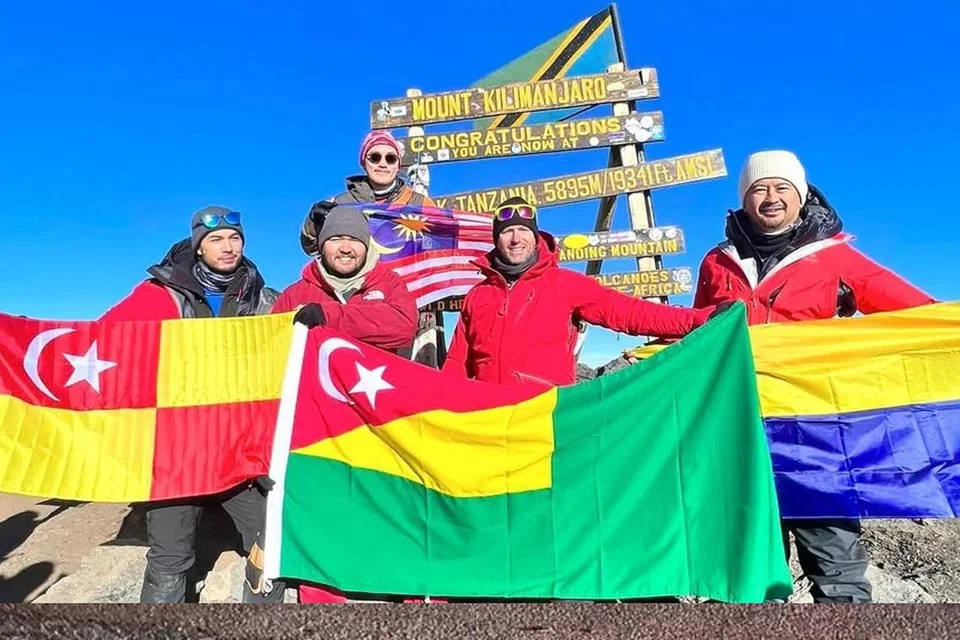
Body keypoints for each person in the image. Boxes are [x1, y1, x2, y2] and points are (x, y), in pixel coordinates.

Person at [693, 150, 936, 603]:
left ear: (801, 196)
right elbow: (699, 332)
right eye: (759, 188)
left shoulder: (836, 258)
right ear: (744, 199)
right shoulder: (717, 262)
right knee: (746, 558)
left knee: (833, 555)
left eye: (782, 187)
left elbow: (917, 313)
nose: (770, 197)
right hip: (740, 427)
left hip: (816, 430)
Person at [100, 206, 284, 604]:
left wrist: (310, 325)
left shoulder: (265, 299)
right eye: (216, 239)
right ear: (198, 246)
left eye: (235, 237)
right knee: (170, 560)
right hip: (178, 451)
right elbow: (105, 341)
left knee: (276, 542)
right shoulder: (161, 294)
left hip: (239, 451)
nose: (228, 246)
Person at [274, 204, 419, 603]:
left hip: (381, 419)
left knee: (384, 499)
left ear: (366, 245)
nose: (345, 247)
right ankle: (324, 593)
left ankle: (393, 583)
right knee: (326, 504)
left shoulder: (388, 283)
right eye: (336, 238)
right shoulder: (296, 293)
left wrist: (332, 317)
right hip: (319, 422)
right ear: (321, 246)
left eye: (353, 239)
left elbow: (401, 325)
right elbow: (271, 348)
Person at [442, 196, 720, 387]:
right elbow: (456, 364)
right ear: (496, 239)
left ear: (536, 236)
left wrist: (699, 320)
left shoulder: (565, 284)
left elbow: (628, 312)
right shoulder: (478, 296)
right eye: (507, 231)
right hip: (489, 419)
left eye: (523, 230)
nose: (516, 238)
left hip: (547, 418)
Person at [298, 130, 436, 257]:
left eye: (391, 158)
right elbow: (312, 247)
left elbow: (441, 245)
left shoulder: (420, 204)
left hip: (405, 280)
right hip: (357, 282)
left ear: (398, 165)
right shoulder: (341, 204)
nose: (383, 164)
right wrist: (313, 222)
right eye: (375, 157)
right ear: (364, 162)